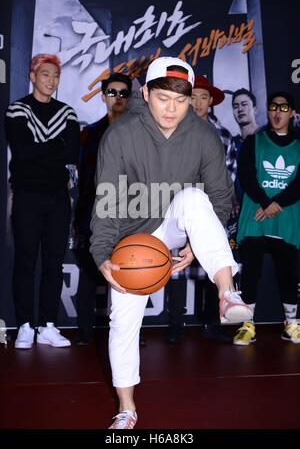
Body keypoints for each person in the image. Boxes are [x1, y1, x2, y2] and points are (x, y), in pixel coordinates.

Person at [90, 56, 254, 429]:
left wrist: (198, 242)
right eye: (164, 98)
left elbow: (219, 196)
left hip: (179, 220)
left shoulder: (202, 134)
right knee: (122, 320)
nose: (173, 108)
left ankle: (228, 293)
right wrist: (102, 252)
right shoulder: (120, 135)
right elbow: (106, 199)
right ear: (145, 93)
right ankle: (127, 408)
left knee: (195, 200)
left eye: (181, 101)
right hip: (133, 237)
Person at [5, 54, 80, 348]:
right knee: (25, 261)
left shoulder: (68, 113)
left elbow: (72, 153)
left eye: (56, 76)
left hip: (58, 199)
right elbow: (22, 153)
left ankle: (47, 325)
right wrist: (56, 148)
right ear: (33, 75)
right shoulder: (17, 110)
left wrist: (42, 151)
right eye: (45, 74)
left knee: (53, 263)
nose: (51, 81)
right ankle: (25, 325)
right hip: (26, 196)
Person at [165, 75, 237, 344]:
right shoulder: (173, 132)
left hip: (212, 209)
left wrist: (220, 210)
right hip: (181, 209)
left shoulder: (224, 136)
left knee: (212, 263)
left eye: (203, 97)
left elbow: (229, 177)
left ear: (211, 102)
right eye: (192, 97)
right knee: (178, 267)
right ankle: (175, 324)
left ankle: (211, 322)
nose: (197, 102)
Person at [233, 91, 300, 346]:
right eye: (273, 106)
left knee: (289, 273)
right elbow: (247, 176)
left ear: (291, 113)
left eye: (284, 107)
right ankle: (247, 325)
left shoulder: (299, 145)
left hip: (286, 219)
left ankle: (291, 324)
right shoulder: (254, 141)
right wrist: (266, 202)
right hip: (256, 218)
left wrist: (277, 204)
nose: (277, 111)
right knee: (250, 273)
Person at [74, 73, 132, 345]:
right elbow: (83, 176)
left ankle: (129, 332)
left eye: (123, 93)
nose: (117, 97)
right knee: (90, 271)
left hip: (132, 211)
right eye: (112, 92)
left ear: (130, 97)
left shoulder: (139, 133)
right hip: (94, 211)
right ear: (103, 96)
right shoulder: (89, 133)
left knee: (128, 273)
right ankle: (85, 332)